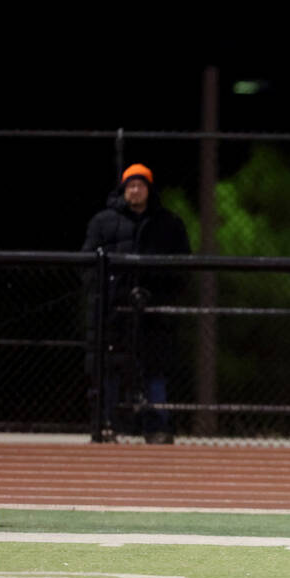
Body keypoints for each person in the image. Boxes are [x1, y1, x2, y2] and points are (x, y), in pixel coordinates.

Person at [83, 163, 191, 444]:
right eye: (130, 185)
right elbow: (87, 264)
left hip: (153, 311)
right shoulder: (103, 222)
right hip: (113, 311)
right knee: (110, 368)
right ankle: (107, 423)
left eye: (140, 185)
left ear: (149, 189)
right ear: (123, 189)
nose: (135, 190)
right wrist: (104, 293)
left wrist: (161, 294)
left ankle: (158, 426)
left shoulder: (169, 223)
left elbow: (182, 267)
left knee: (155, 368)